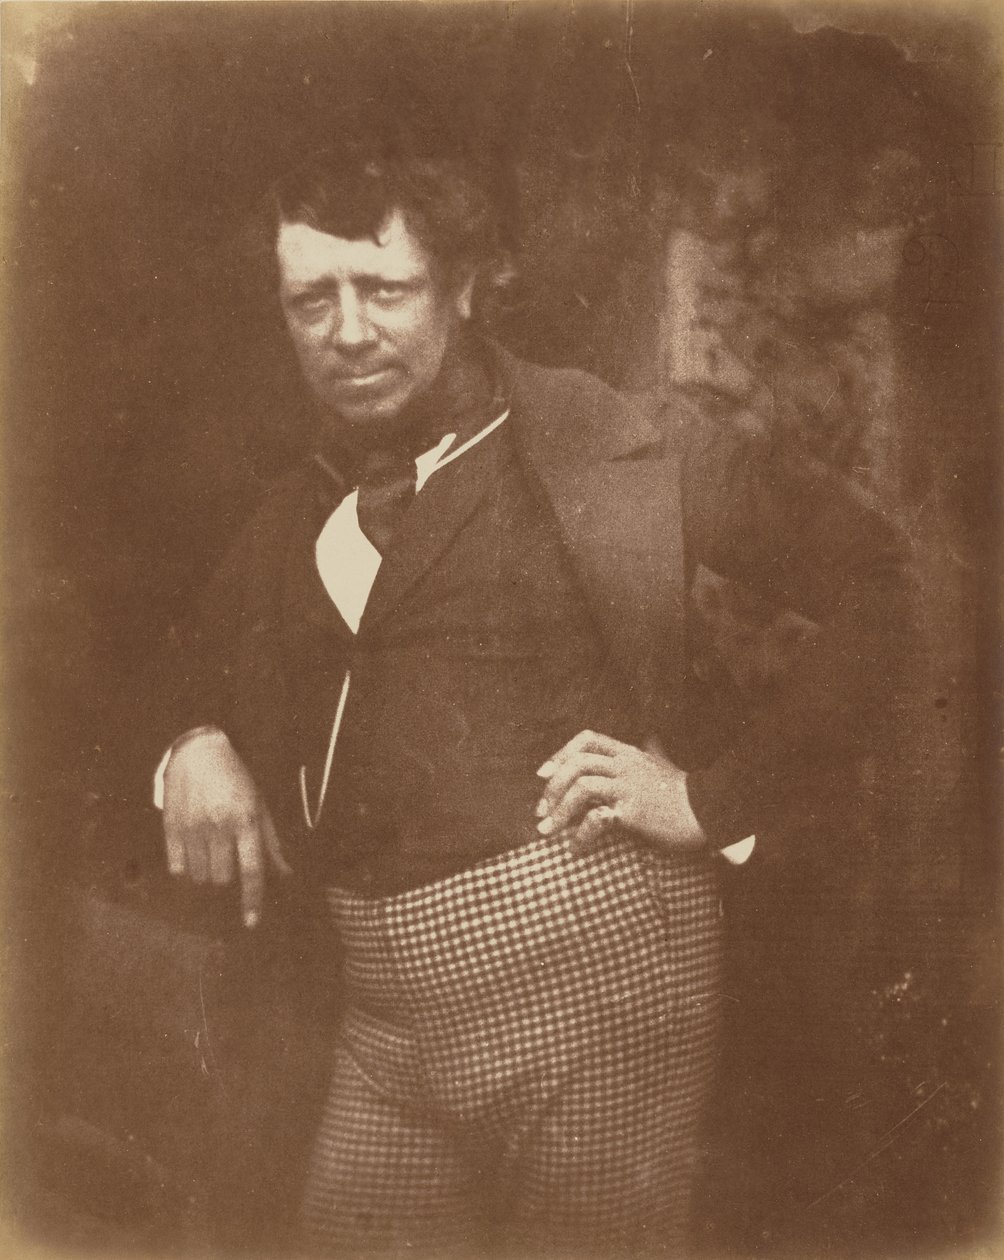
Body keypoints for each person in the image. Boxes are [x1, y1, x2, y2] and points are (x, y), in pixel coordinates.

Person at [147, 143, 912, 1257]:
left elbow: (883, 586)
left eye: (385, 290)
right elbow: (190, 657)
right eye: (312, 299)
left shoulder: (618, 439)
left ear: (462, 287)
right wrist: (194, 740)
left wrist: (711, 799)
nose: (347, 330)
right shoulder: (301, 498)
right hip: (381, 1017)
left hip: (595, 981)